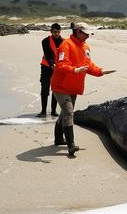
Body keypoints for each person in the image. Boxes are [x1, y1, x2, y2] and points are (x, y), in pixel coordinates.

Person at [51, 22, 116, 156]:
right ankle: (71, 145)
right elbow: (61, 65)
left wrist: (101, 71)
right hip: (60, 86)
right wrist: (74, 70)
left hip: (74, 86)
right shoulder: (66, 45)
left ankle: (58, 138)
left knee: (65, 114)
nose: (87, 36)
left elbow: (88, 66)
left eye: (88, 34)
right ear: (78, 31)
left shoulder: (86, 47)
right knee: (69, 113)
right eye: (85, 33)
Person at [37, 23, 63, 117]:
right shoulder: (45, 41)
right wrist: (52, 64)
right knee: (45, 88)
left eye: (58, 32)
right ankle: (43, 111)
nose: (56, 34)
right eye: (55, 32)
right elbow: (47, 55)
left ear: (60, 32)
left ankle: (53, 111)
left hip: (58, 68)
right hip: (46, 67)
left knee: (55, 89)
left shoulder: (64, 42)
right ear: (51, 31)